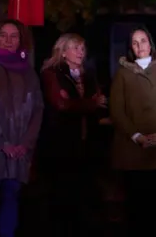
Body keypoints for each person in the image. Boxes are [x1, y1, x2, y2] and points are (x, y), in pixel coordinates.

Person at [109, 26, 156, 237]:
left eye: (143, 40)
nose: (140, 45)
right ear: (130, 47)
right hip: (132, 152)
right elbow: (117, 110)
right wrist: (136, 135)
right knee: (135, 208)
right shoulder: (123, 75)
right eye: (135, 42)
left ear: (151, 44)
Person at [0, 19, 43, 237]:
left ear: (21, 40)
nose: (8, 40)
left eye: (13, 36)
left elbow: (37, 109)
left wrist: (25, 143)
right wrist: (1, 142)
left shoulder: (29, 72)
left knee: (11, 199)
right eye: (3, 35)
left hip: (19, 151)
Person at [39, 33, 108, 237]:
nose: (80, 52)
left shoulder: (87, 75)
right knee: (61, 196)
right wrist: (89, 103)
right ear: (63, 51)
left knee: (84, 195)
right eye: (75, 48)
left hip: (86, 143)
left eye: (82, 48)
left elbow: (98, 103)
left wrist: (80, 104)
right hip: (61, 144)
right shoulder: (53, 73)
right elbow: (61, 104)